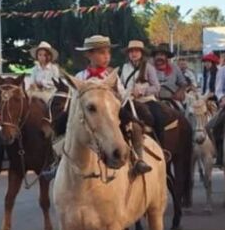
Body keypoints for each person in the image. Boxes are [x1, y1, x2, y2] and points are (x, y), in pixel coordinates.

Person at [70, 35, 153, 176]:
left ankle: (139, 159)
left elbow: (121, 94)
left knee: (136, 127)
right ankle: (58, 162)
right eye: (102, 53)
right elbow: (74, 97)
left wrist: (118, 96)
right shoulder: (80, 76)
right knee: (62, 126)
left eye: (108, 52)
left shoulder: (110, 75)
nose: (107, 57)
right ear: (89, 54)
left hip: (110, 112)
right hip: (87, 115)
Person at [119, 40, 165, 173]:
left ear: (141, 53)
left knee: (158, 116)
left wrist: (142, 91)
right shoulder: (125, 68)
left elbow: (156, 87)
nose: (133, 54)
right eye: (131, 51)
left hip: (146, 99)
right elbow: (121, 85)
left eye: (136, 51)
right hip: (129, 100)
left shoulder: (148, 67)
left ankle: (161, 148)